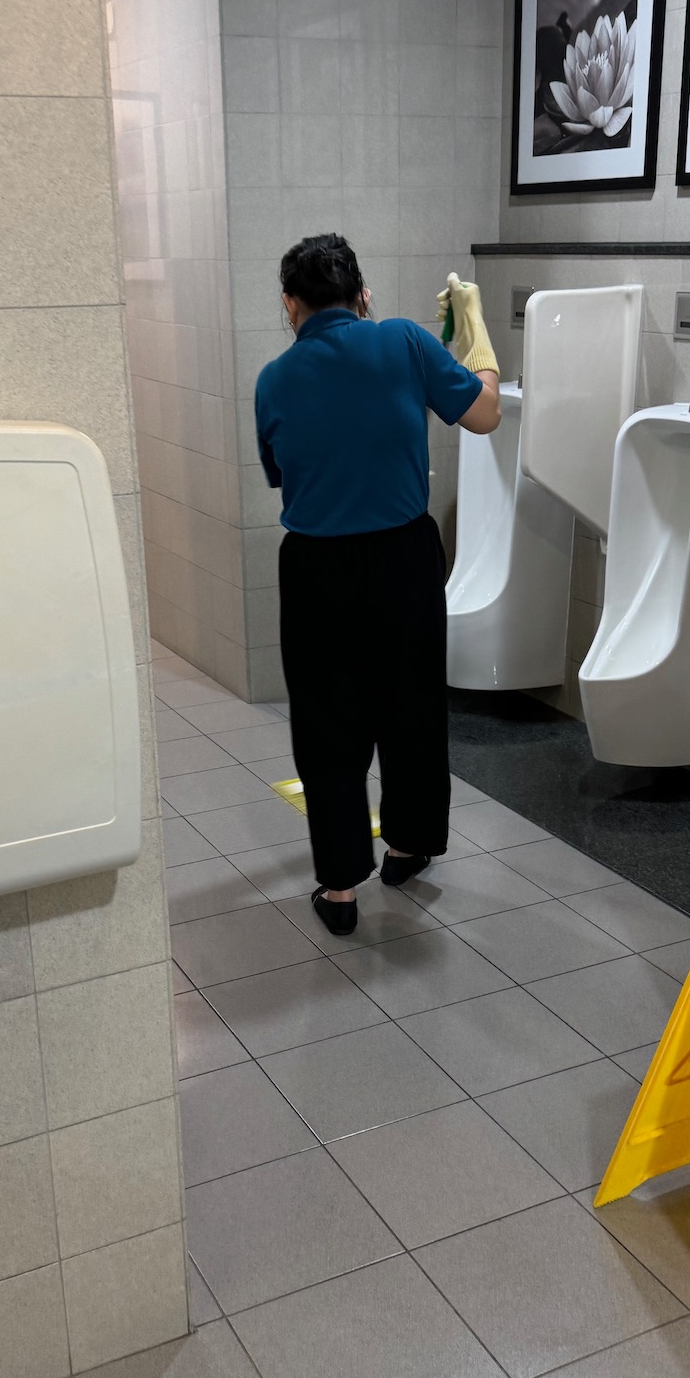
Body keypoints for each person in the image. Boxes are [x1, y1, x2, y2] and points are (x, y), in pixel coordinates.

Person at [255, 235, 501, 936]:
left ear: (290, 305)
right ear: (363, 294)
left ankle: (338, 887)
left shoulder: (274, 378)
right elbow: (485, 413)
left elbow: (283, 471)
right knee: (411, 707)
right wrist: (474, 333)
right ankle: (407, 846)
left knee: (327, 725)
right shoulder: (404, 341)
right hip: (402, 559)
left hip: (314, 567)